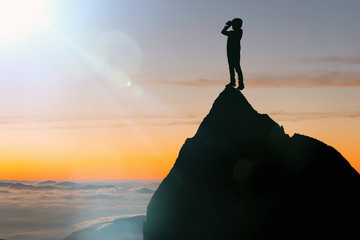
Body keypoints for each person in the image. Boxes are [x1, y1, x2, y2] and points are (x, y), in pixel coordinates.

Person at [221, 18, 244, 90]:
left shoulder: (239, 32)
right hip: (230, 52)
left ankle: (241, 84)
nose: (233, 26)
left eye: (234, 24)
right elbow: (223, 32)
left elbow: (223, 32)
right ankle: (233, 82)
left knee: (237, 67)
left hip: (235, 52)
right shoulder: (232, 32)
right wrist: (229, 25)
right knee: (231, 67)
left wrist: (229, 25)